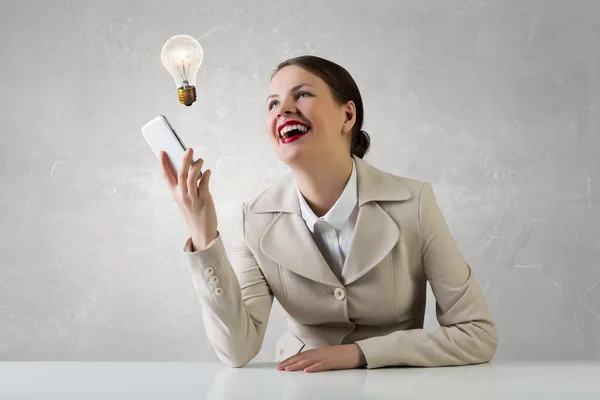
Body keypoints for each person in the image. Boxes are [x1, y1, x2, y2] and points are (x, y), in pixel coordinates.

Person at [159, 55, 498, 373]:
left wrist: (361, 353)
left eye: (302, 94)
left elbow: (477, 335)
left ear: (347, 116)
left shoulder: (415, 203)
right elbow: (237, 349)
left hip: (393, 386)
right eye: (273, 103)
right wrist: (203, 234)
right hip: (300, 385)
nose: (283, 110)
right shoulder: (255, 218)